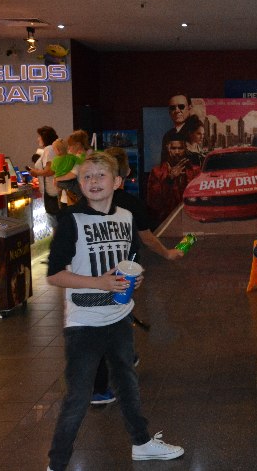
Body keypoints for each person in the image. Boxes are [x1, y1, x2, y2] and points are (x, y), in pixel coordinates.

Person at [46, 152, 184, 470]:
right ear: (80, 184)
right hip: (84, 322)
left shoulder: (125, 217)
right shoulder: (71, 220)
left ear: (117, 181)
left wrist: (135, 277)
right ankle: (56, 464)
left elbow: (128, 259)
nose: (94, 181)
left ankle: (142, 444)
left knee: (127, 384)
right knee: (78, 397)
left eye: (101, 175)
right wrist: (99, 283)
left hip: (120, 317)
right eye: (87, 176)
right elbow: (54, 275)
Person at [89, 147, 185, 404]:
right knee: (108, 322)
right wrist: (167, 254)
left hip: (96, 270)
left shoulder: (89, 202)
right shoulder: (130, 204)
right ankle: (99, 388)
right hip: (122, 270)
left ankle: (123, 356)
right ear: (125, 174)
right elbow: (146, 237)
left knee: (113, 315)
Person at [146, 138, 199, 227]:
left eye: (180, 148)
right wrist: (169, 179)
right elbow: (153, 202)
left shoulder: (195, 171)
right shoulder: (157, 172)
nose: (177, 152)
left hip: (190, 222)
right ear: (168, 149)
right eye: (173, 148)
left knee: (190, 236)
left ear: (185, 149)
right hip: (166, 222)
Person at [29, 126, 60, 224]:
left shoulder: (49, 149)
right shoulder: (53, 149)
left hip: (51, 192)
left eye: (39, 136)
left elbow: (50, 171)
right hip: (54, 191)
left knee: (54, 222)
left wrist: (36, 172)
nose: (38, 139)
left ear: (44, 137)